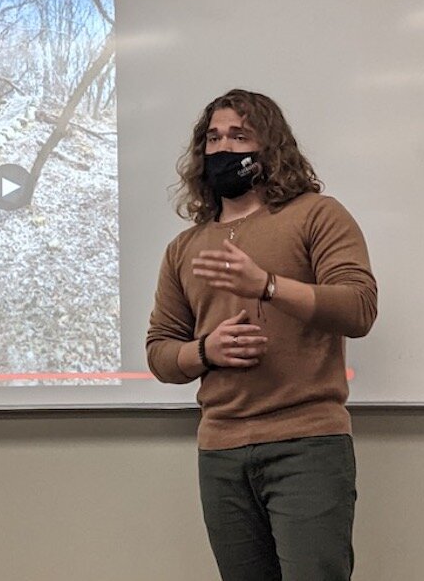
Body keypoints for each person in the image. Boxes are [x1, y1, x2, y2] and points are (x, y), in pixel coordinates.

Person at [146, 89, 377, 581]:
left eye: (238, 135)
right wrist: (204, 351)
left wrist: (268, 286)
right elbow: (161, 352)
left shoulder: (317, 214)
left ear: (269, 148)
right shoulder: (184, 247)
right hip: (220, 450)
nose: (222, 147)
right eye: (212, 138)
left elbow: (358, 308)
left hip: (307, 443)